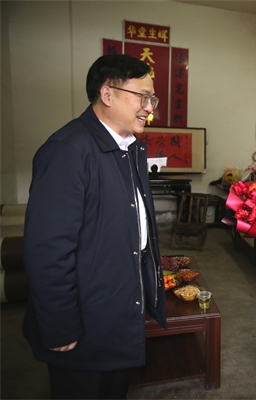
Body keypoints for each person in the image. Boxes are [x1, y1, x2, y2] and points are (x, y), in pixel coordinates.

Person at [22, 54, 167, 399]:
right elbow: (47, 251)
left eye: (152, 99)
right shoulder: (68, 150)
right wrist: (59, 326)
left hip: (116, 307)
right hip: (83, 319)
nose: (149, 108)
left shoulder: (128, 148)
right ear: (107, 94)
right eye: (142, 97)